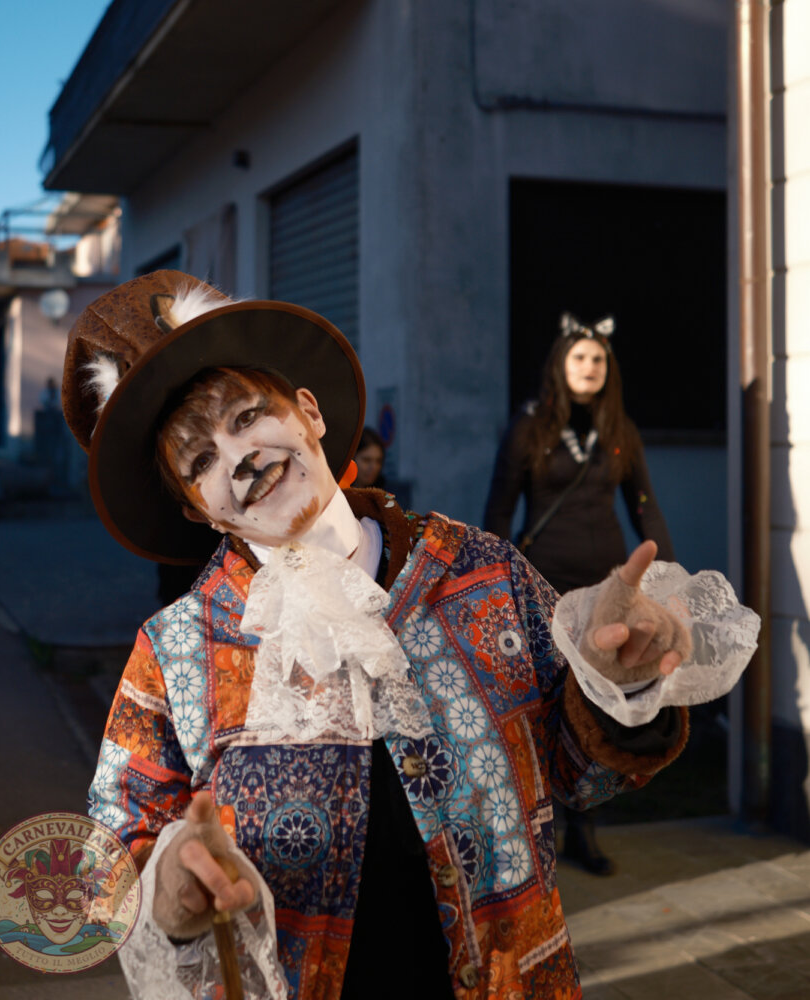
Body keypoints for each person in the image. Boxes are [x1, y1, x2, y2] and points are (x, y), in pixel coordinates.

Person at [62, 272, 755, 998]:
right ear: (199, 511)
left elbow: (575, 770)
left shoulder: (484, 572)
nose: (238, 457)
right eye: (200, 462)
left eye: (246, 417)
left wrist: (619, 681)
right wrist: (166, 891)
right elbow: (113, 848)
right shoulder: (174, 648)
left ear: (309, 413)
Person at [482, 312, 673, 876]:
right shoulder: (528, 428)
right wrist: (494, 585)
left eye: (598, 360)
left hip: (607, 588)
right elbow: (498, 510)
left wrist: (667, 574)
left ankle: (584, 827)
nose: (589, 367)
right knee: (545, 702)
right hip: (543, 584)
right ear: (560, 364)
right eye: (580, 358)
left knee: (597, 704)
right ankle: (538, 818)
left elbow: (645, 506)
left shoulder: (620, 429)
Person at [350, 425, 386, 490]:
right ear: (352, 458)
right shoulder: (336, 492)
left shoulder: (386, 493)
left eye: (378, 461)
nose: (374, 467)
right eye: (366, 460)